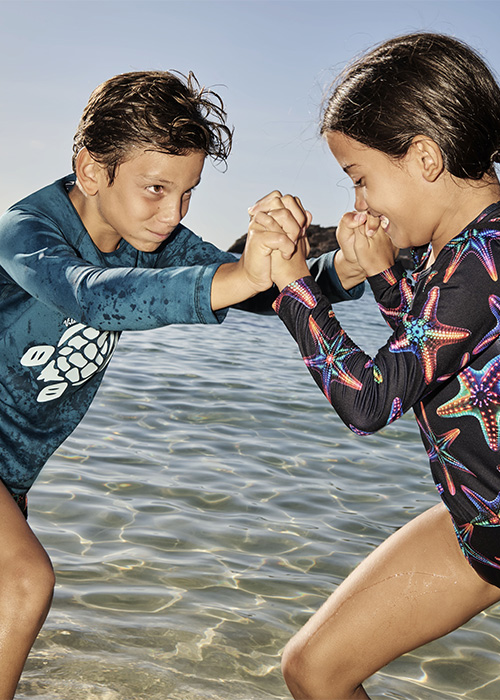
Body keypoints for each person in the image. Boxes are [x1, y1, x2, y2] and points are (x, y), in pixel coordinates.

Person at [0, 70, 366, 698]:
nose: (172, 214)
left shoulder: (153, 239)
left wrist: (341, 265)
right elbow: (94, 298)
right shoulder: (27, 233)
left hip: (13, 477)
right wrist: (245, 274)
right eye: (155, 189)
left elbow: (249, 288)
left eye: (188, 193)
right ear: (91, 170)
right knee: (23, 581)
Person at [260, 32, 500, 699]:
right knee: (315, 668)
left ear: (424, 157)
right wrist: (385, 279)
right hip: (479, 531)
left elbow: (370, 403)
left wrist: (291, 289)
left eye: (361, 179)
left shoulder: (486, 258)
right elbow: (437, 356)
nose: (361, 205)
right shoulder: (462, 254)